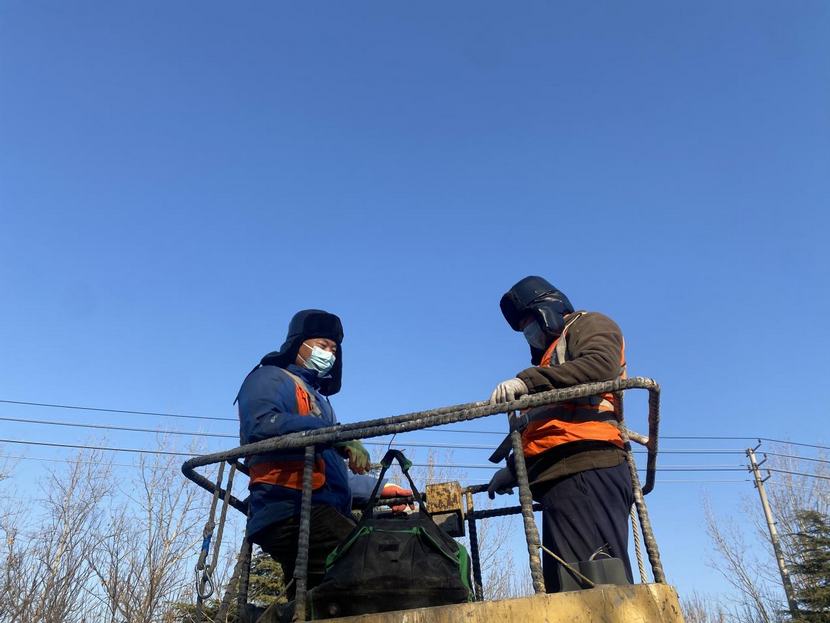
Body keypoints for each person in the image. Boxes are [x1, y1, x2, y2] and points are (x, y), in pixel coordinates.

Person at [236, 309, 412, 601]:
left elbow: (331, 477)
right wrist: (334, 434)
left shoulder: (320, 401)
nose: (328, 354)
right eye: (322, 345)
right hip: (289, 510)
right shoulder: (269, 377)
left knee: (318, 601)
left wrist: (383, 489)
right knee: (377, 561)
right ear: (298, 344)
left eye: (333, 349)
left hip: (318, 509)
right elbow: (260, 425)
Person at [487, 277, 634, 592]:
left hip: (586, 466)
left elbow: (601, 366)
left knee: (597, 583)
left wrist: (528, 382)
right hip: (560, 477)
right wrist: (514, 469)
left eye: (528, 323)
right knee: (568, 590)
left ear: (548, 309)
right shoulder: (551, 363)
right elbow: (544, 424)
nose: (528, 333)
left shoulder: (590, 324)